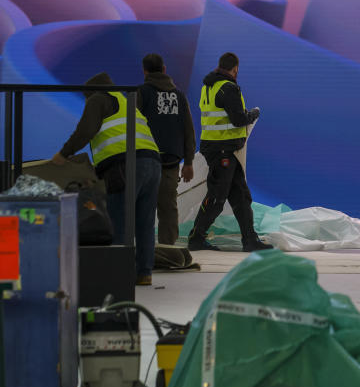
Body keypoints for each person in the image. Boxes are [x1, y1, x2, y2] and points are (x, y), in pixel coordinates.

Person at [51, 72, 162, 286]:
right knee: (145, 222)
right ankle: (144, 273)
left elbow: (85, 131)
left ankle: (117, 275)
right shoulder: (125, 99)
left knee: (117, 220)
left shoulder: (98, 99)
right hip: (152, 162)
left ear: (90, 92)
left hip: (126, 164)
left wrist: (63, 154)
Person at [187, 52, 270, 252]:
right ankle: (196, 237)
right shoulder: (229, 88)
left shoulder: (209, 87)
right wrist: (254, 114)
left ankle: (249, 239)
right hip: (224, 149)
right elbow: (238, 119)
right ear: (235, 69)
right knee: (217, 196)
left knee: (240, 195)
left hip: (218, 148)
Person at [139, 53, 196, 246]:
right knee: (168, 209)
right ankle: (168, 252)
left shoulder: (141, 93)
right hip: (170, 163)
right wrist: (188, 162)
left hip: (145, 161)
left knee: (142, 208)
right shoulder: (179, 95)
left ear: (144, 71)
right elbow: (188, 129)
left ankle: (141, 252)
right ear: (164, 69)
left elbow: (132, 127)